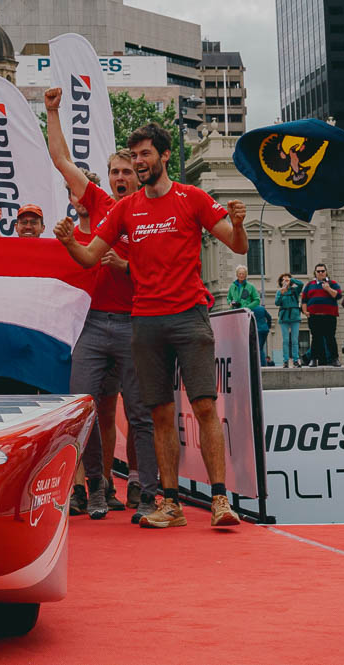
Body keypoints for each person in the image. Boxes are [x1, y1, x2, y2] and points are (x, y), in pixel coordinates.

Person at [61, 122, 249, 529]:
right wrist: (68, 242)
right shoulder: (125, 209)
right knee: (160, 413)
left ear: (164, 157)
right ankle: (170, 503)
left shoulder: (192, 197)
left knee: (203, 406)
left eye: (145, 155)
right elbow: (91, 257)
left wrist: (238, 223)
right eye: (134, 156)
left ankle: (220, 499)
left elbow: (237, 245)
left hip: (189, 316)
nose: (139, 163)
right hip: (144, 321)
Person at [43, 92, 156, 520]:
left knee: (141, 410)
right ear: (107, 179)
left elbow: (166, 269)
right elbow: (61, 160)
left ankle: (145, 489)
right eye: (115, 172)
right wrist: (52, 111)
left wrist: (126, 266)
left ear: (140, 172)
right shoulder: (102, 205)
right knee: (83, 407)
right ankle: (95, 487)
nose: (121, 176)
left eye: (128, 170)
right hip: (91, 324)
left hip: (135, 322)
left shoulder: (155, 210)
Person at [302, 264, 341, 366]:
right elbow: (304, 300)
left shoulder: (333, 283)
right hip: (314, 316)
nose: (320, 273)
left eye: (322, 271)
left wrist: (328, 289)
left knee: (330, 338)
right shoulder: (310, 285)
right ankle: (314, 359)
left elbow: (338, 295)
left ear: (326, 272)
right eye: (318, 271)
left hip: (329, 315)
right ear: (315, 272)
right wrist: (305, 312)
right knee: (316, 338)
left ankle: (334, 359)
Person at [275, 273, 302, 367]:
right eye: (283, 280)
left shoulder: (295, 290)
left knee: (295, 340)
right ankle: (285, 360)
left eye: (287, 280)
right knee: (285, 340)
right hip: (284, 317)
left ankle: (295, 359)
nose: (285, 281)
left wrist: (292, 280)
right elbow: (277, 303)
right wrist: (281, 294)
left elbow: (301, 284)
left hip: (295, 317)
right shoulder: (280, 292)